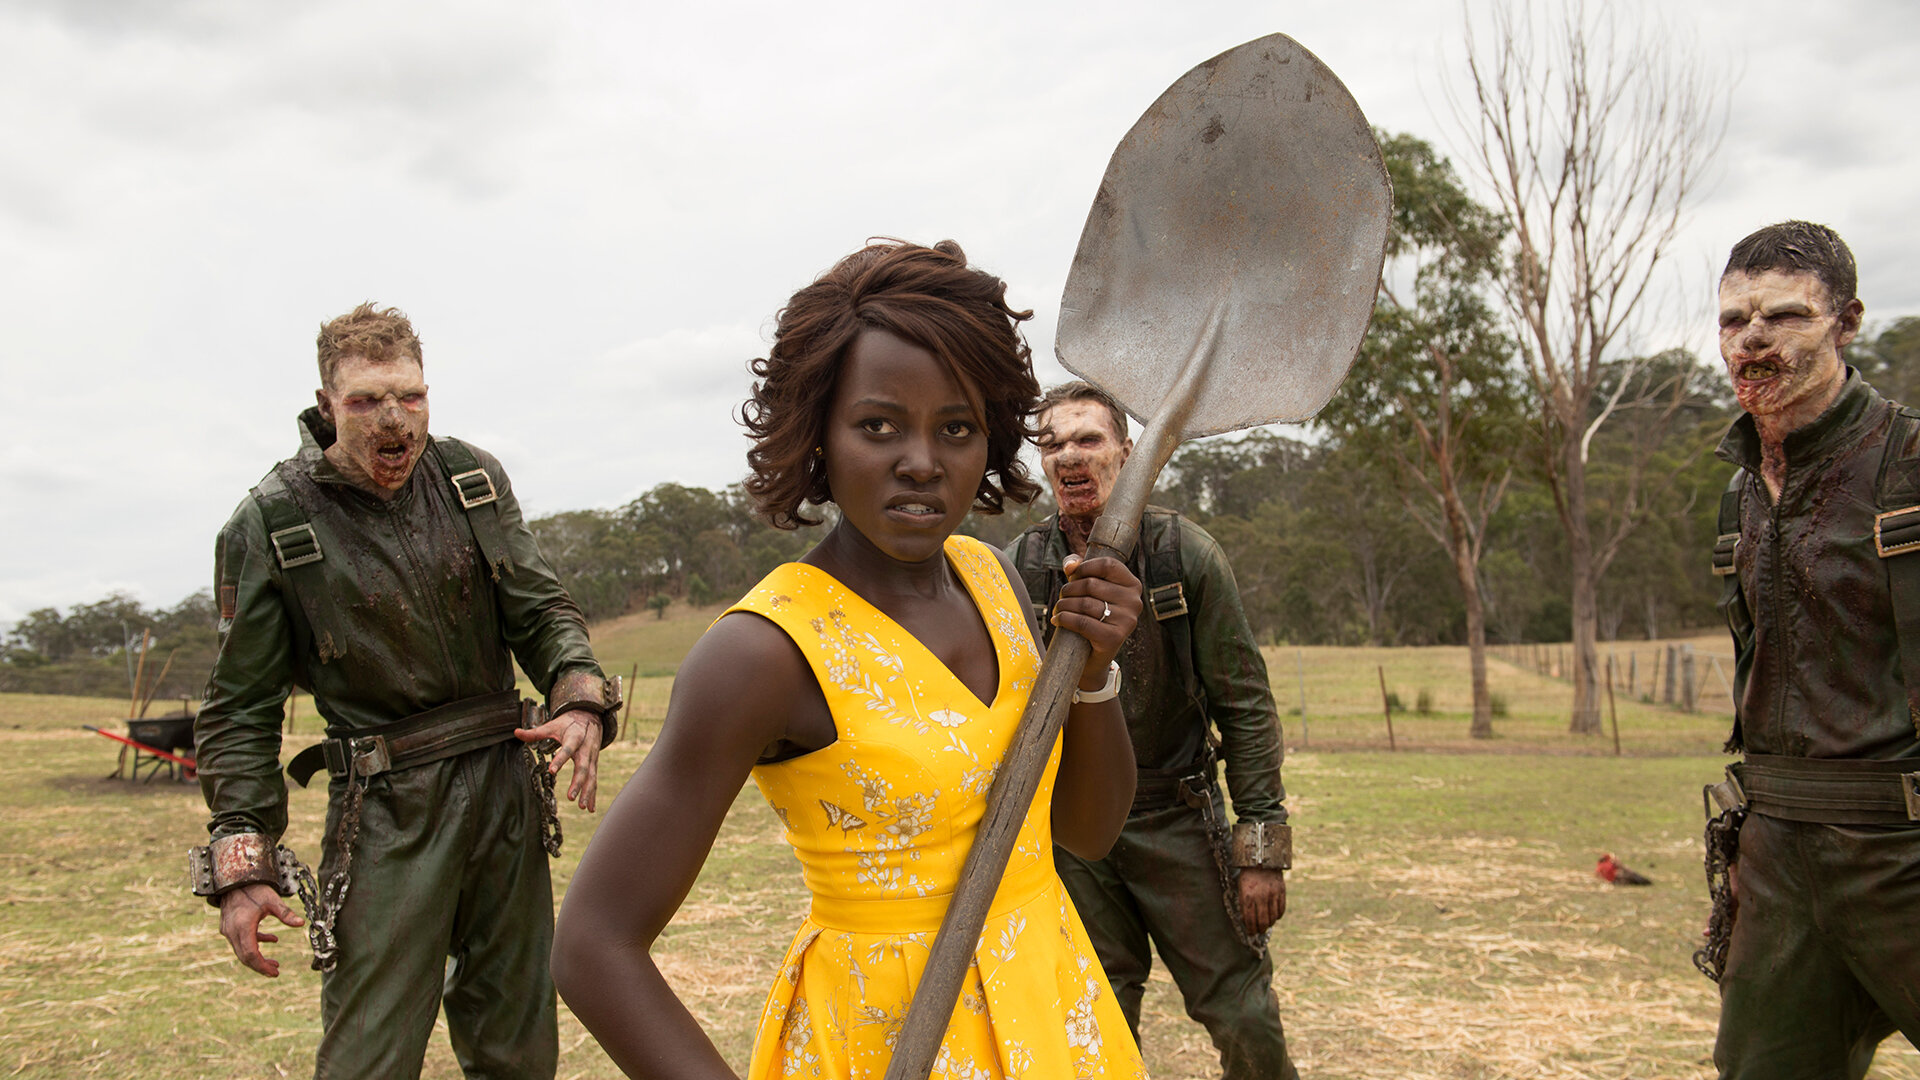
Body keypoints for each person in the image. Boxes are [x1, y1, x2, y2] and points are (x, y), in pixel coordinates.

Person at [552, 240, 1149, 1079]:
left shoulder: (996, 580)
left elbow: (1086, 834)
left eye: (956, 428)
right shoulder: (762, 653)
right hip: (880, 1037)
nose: (921, 461)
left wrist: (1092, 677)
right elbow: (592, 943)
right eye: (878, 426)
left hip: (1053, 1008)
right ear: (818, 437)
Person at [190, 303, 619, 1079]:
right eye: (366, 401)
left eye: (411, 396)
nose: (394, 420)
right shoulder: (272, 522)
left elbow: (539, 611)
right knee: (369, 1056)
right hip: (386, 812)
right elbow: (239, 710)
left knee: (519, 1052)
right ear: (327, 405)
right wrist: (243, 862)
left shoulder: (471, 481)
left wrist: (580, 696)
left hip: (504, 789)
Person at [1006, 381, 1298, 1080]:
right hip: (1074, 831)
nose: (1069, 456)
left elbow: (1245, 704)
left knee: (1242, 1010)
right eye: (1052, 443)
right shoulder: (1020, 568)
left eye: (1088, 439)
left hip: (1180, 818)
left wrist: (1261, 847)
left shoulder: (1183, 555)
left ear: (1128, 452)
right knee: (1095, 1011)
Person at [1705, 221, 1920, 1078]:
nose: (1753, 338)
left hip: (1904, 846)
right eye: (1734, 320)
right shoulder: (1739, 491)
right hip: (1777, 856)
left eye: (1785, 315)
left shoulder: (1910, 465)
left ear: (1848, 322)